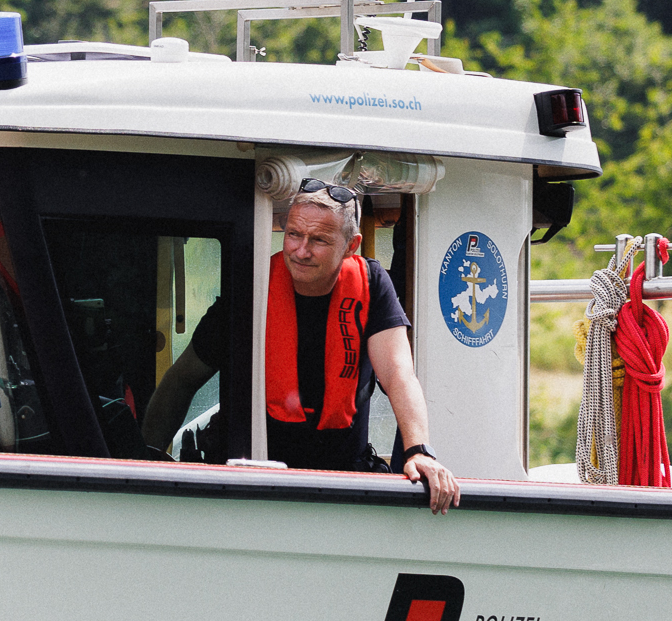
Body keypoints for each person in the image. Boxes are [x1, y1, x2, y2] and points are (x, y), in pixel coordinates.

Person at [142, 179, 462, 511]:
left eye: (319, 240)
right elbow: (182, 379)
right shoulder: (251, 285)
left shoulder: (373, 286)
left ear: (351, 245)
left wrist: (419, 451)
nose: (301, 250)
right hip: (252, 487)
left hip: (342, 485)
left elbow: (398, 373)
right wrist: (143, 459)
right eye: (294, 234)